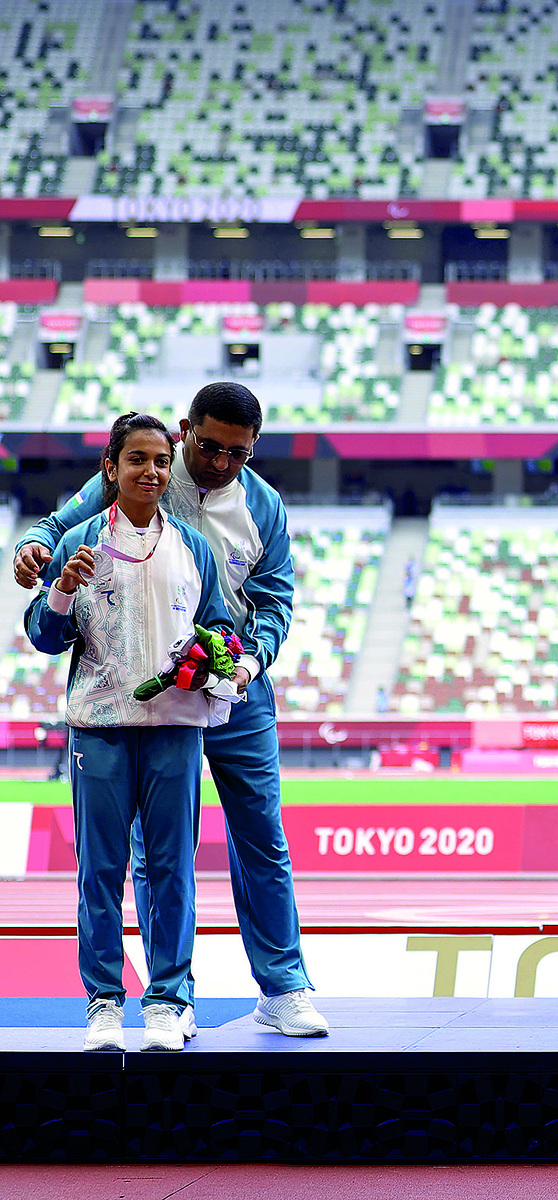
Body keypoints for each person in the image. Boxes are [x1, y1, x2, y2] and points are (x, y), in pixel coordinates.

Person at [13, 383, 328, 1037]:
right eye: (207, 446)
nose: (217, 462)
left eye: (236, 453)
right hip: (146, 693)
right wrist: (34, 550)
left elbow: (274, 601)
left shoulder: (263, 506)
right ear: (185, 430)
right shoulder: (147, 467)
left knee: (261, 839)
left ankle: (284, 987)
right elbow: (56, 526)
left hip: (233, 686)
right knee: (157, 853)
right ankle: (170, 999)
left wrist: (245, 664)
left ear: (252, 449)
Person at [25, 413, 234, 1052]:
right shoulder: (80, 540)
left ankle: (169, 1001)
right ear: (110, 469)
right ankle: (103, 1003)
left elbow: (222, 627)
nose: (151, 471)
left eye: (161, 462)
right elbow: (43, 635)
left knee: (172, 869)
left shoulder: (193, 547)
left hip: (175, 729)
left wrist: (214, 660)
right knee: (101, 870)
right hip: (99, 730)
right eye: (137, 460)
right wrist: (61, 590)